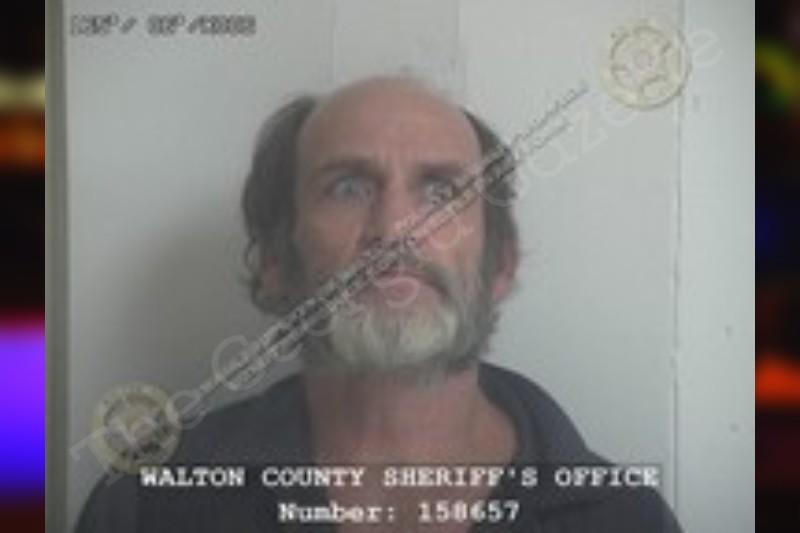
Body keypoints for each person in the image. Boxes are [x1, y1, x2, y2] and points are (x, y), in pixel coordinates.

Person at [75, 77, 682, 532]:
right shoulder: (148, 505)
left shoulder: (626, 519)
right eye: (348, 187)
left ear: (499, 266)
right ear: (277, 261)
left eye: (441, 192)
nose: (394, 229)